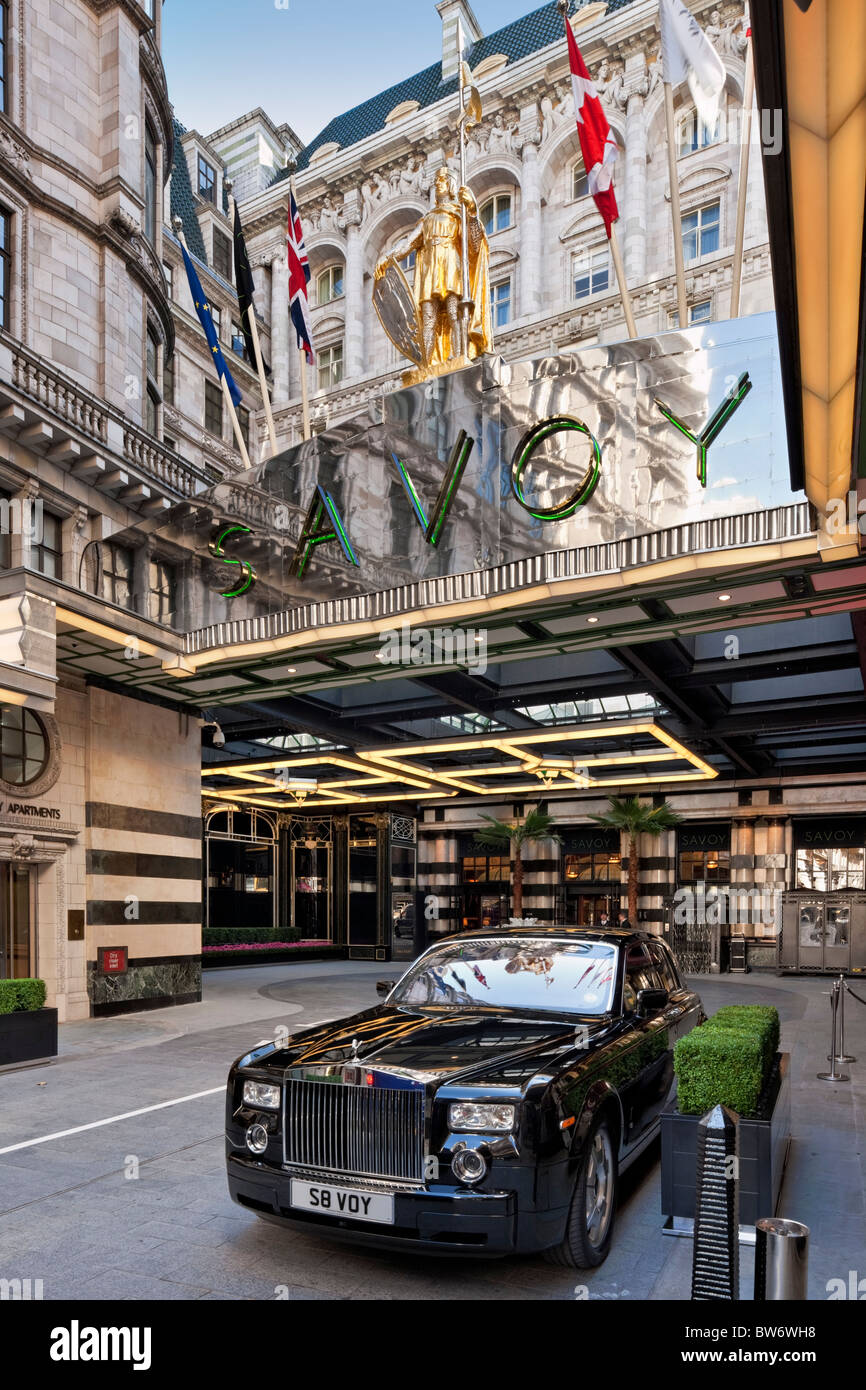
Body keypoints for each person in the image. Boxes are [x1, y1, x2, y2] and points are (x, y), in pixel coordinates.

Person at [374, 165, 491, 368]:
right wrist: (387, 257)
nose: (438, 184)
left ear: (451, 185)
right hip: (431, 271)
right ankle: (426, 366)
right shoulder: (427, 219)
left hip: (452, 266)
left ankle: (458, 356)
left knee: (455, 314)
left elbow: (474, 244)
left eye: (442, 181)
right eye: (437, 181)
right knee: (428, 320)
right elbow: (408, 244)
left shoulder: (459, 214)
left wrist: (472, 212)